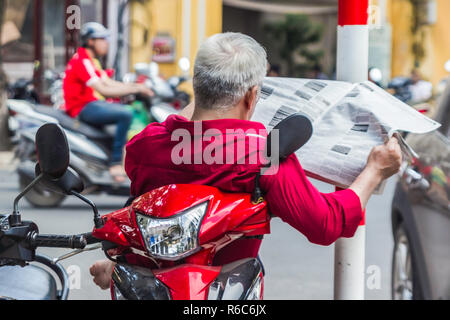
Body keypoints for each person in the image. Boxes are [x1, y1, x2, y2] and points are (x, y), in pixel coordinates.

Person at [90, 32, 402, 289]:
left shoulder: (144, 147)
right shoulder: (263, 156)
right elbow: (325, 224)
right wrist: (375, 169)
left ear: (197, 87)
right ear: (252, 98)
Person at [63, 22, 154, 182]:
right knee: (125, 114)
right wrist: (135, 89)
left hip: (92, 104)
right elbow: (103, 89)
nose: (106, 43)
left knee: (123, 109)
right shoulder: (82, 60)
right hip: (83, 108)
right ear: (90, 41)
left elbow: (109, 83)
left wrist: (136, 87)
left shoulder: (91, 61)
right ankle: (115, 163)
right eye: (102, 39)